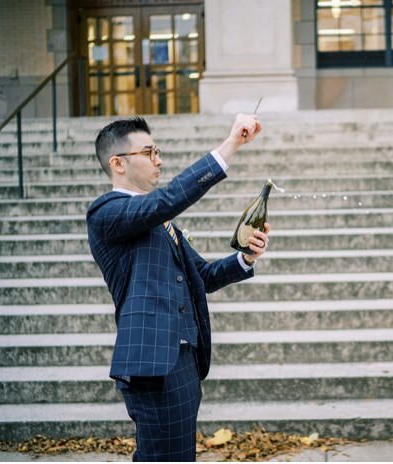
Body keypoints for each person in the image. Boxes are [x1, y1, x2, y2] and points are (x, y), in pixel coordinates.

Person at [87, 114, 271, 461]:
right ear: (118, 163)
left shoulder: (159, 221)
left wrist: (245, 258)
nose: (159, 160)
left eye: (158, 150)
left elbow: (202, 275)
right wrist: (231, 144)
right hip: (151, 365)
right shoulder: (106, 213)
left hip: (183, 360)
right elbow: (167, 199)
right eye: (149, 152)